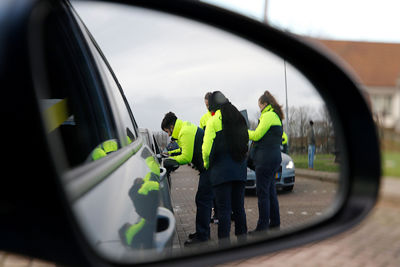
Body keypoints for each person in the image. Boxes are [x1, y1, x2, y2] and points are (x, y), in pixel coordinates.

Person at [202, 91, 248, 246]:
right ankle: (243, 240)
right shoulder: (239, 118)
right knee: (239, 208)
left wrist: (207, 165)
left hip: (221, 174)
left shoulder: (213, 121)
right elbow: (246, 141)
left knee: (224, 211)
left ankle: (224, 245)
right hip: (240, 171)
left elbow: (206, 149)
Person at [161, 112, 213, 246]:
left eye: (167, 131)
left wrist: (168, 160)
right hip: (209, 167)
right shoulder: (185, 127)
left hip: (210, 168)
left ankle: (203, 237)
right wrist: (169, 153)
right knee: (203, 200)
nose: (168, 135)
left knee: (202, 200)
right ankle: (202, 232)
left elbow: (186, 157)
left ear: (172, 127)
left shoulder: (184, 132)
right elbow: (184, 150)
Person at [248, 90, 283, 233]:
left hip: (265, 160)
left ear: (265, 104)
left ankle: (262, 227)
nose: (259, 109)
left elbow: (256, 135)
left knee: (263, 194)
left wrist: (245, 131)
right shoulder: (276, 116)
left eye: (259, 106)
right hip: (274, 158)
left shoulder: (268, 116)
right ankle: (275, 222)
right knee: (270, 192)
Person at [199, 92, 219, 224]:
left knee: (219, 187)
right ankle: (215, 212)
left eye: (209, 104)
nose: (207, 107)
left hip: (220, 155)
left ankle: (220, 213)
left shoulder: (219, 115)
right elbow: (202, 138)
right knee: (211, 188)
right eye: (205, 104)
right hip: (210, 156)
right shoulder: (203, 119)